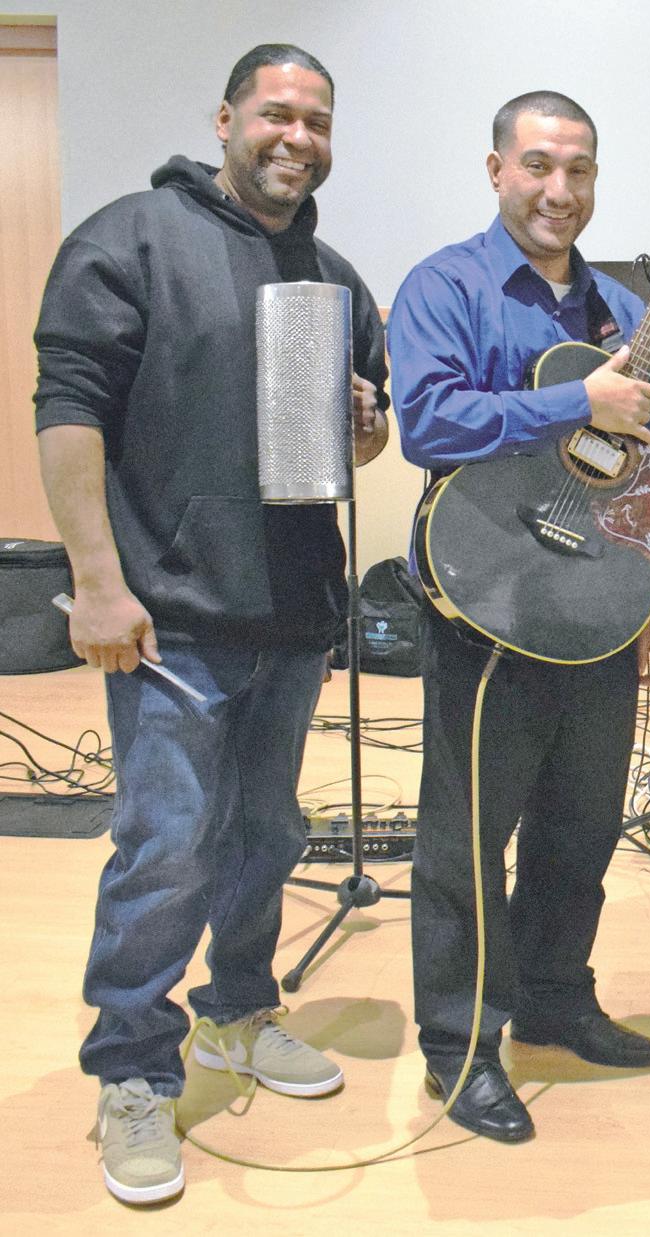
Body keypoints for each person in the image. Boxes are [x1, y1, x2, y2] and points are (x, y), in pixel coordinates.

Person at [32, 45, 388, 1205]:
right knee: (168, 846)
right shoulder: (128, 239)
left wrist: (364, 425)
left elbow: (361, 444)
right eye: (277, 114)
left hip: (293, 609)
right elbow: (69, 408)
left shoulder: (333, 274)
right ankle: (134, 1070)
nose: (298, 137)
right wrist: (97, 581)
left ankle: (238, 1011)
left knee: (265, 835)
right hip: (167, 613)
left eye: (316, 120)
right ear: (226, 117)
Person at [387, 90, 650, 1143]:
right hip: (488, 602)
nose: (561, 189)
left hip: (600, 604)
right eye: (541, 165)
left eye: (580, 169)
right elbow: (427, 421)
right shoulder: (446, 285)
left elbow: (643, 467)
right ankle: (461, 1043)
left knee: (582, 823)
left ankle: (555, 998)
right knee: (468, 838)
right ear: (498, 170)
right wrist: (574, 402)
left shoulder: (621, 310)